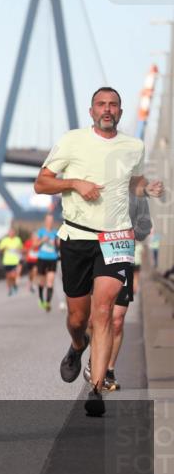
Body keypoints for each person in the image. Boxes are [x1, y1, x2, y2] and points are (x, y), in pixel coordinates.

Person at [34, 86, 164, 416]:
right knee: (78, 319)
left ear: (120, 112)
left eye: (113, 105)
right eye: (101, 105)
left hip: (116, 237)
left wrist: (146, 187)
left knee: (104, 311)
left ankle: (96, 389)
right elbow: (42, 182)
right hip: (77, 236)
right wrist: (74, 183)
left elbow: (129, 182)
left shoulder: (133, 145)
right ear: (91, 111)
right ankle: (78, 346)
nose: (107, 109)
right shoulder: (71, 141)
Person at [83, 193, 153, 391]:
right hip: (93, 256)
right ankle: (92, 357)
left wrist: (130, 231)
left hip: (120, 254)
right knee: (91, 320)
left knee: (117, 319)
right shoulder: (98, 181)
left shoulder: (135, 191)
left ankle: (108, 370)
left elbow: (145, 226)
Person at [35, 214, 59, 312]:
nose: (50, 222)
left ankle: (48, 302)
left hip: (53, 258)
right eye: (48, 220)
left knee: (50, 281)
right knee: (41, 281)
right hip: (42, 258)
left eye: (51, 220)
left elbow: (59, 246)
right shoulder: (41, 231)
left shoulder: (55, 233)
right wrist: (42, 240)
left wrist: (57, 243)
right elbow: (34, 245)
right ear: (45, 221)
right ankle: (41, 299)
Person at [0, 225, 25, 296]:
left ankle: (14, 285)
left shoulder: (17, 239)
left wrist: (18, 250)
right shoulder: (5, 240)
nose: (11, 233)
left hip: (15, 261)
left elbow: (21, 249)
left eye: (12, 232)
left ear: (14, 233)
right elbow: (0, 250)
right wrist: (4, 248)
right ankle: (10, 289)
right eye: (10, 232)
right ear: (8, 233)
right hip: (7, 261)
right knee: (8, 276)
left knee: (13, 275)